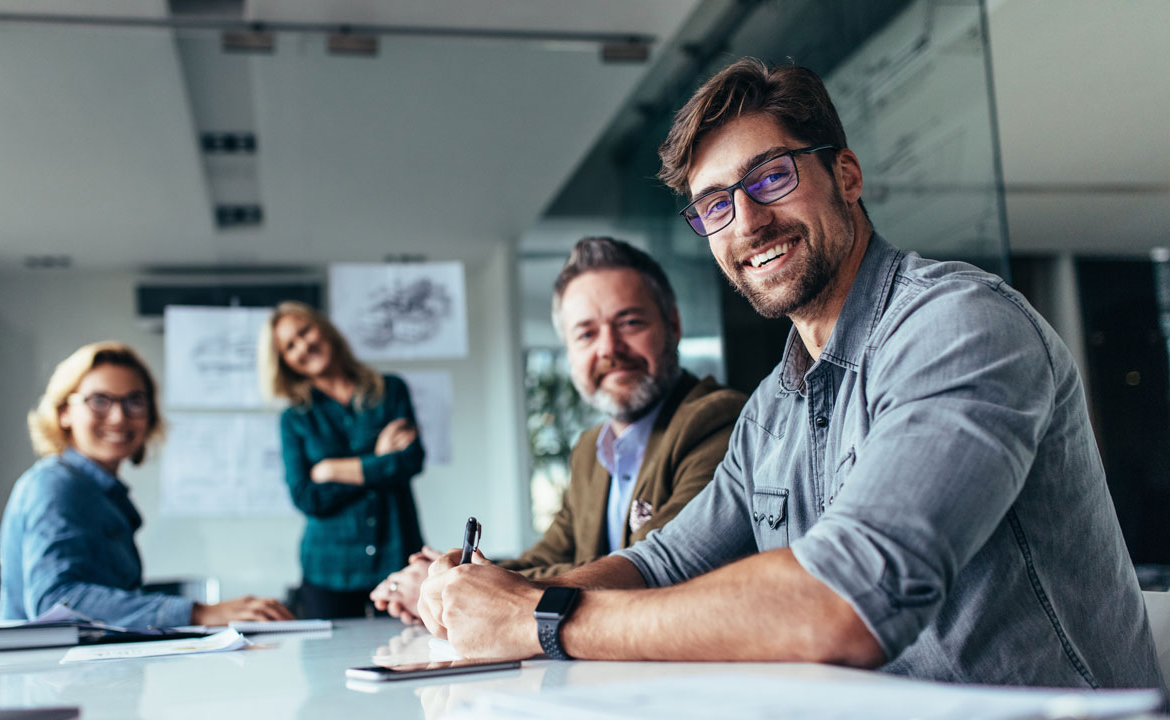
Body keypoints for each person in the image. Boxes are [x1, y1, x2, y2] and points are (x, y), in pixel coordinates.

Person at [417, 58, 1164, 691]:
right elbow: (664, 561)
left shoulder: (958, 326)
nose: (746, 222)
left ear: (845, 173)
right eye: (714, 205)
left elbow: (845, 603)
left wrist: (540, 619)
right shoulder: (774, 406)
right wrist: (502, 596)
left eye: (770, 178)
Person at [370, 237, 747, 623]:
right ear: (569, 350)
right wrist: (457, 577)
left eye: (630, 323)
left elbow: (652, 567)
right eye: (586, 334)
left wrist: (459, 588)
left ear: (673, 325)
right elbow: (551, 555)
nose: (608, 349)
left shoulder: (715, 420)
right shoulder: (590, 450)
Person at [0, 341, 293, 627]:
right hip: (49, 674)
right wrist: (197, 613)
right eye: (99, 401)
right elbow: (55, 601)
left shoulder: (101, 492)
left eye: (135, 401)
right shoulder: (56, 486)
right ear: (64, 411)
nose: (118, 417)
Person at [259, 301, 425, 619]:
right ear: (284, 362)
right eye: (290, 346)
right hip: (329, 569)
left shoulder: (390, 390)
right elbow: (307, 497)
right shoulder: (295, 418)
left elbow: (410, 461)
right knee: (328, 666)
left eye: (305, 331)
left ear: (323, 328)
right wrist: (378, 459)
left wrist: (332, 469)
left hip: (397, 555)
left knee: (409, 655)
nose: (303, 345)